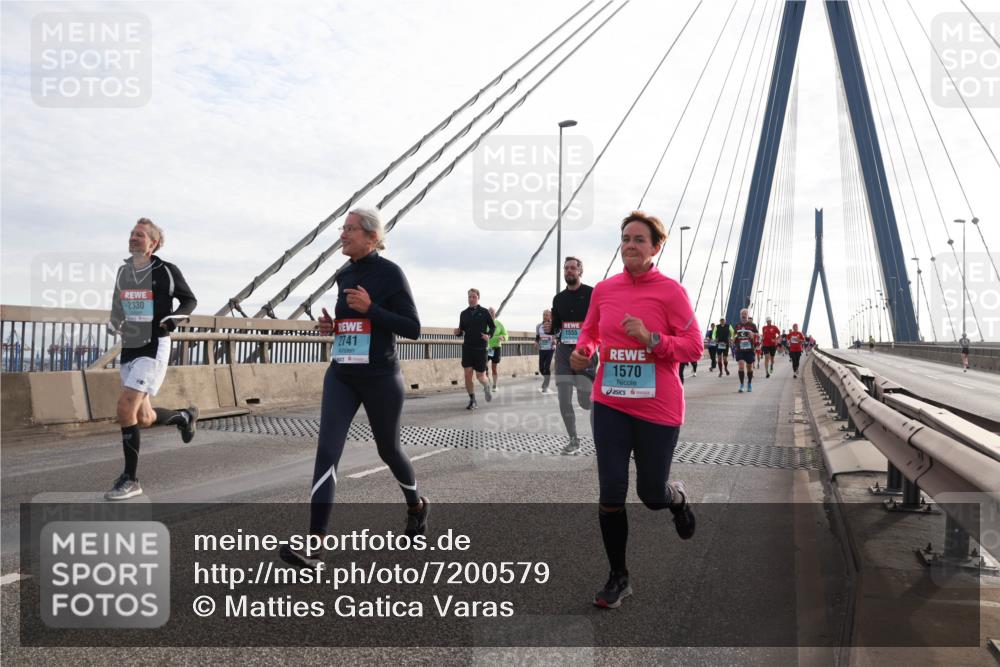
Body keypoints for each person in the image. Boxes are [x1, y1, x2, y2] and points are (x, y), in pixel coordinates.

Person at [280, 207, 427, 568]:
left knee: (388, 450)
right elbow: (353, 320)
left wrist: (372, 308)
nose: (342, 235)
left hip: (381, 377)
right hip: (342, 374)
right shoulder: (343, 274)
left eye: (349, 229)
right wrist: (335, 326)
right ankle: (314, 547)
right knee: (327, 452)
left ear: (372, 236)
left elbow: (412, 327)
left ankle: (416, 505)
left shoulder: (391, 274)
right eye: (341, 229)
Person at [571, 211, 702, 609]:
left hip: (657, 408)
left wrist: (652, 339)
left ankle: (675, 498)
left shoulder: (671, 292)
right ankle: (618, 577)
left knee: (650, 494)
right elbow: (591, 332)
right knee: (611, 489)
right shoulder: (605, 290)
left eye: (639, 240)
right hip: (610, 402)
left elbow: (694, 347)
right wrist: (584, 352)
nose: (630, 244)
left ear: (656, 247)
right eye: (625, 238)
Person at [105, 218, 198, 501]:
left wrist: (171, 322)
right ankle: (184, 416)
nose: (133, 238)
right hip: (131, 347)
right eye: (132, 234)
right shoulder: (124, 271)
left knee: (124, 408)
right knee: (143, 417)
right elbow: (118, 304)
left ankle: (131, 479)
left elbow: (189, 301)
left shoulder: (167, 271)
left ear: (153, 243)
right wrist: (115, 321)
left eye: (140, 235)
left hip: (154, 346)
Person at [547, 256, 596, 455]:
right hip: (564, 353)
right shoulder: (558, 299)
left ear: (580, 271)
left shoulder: (592, 293)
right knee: (564, 399)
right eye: (566, 268)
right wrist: (552, 328)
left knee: (586, 401)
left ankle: (600, 438)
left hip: (585, 352)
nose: (568, 271)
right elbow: (556, 328)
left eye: (572, 268)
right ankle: (574, 441)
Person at [454, 288, 495, 409]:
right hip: (467, 348)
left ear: (478, 298)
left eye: (473, 297)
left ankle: (487, 386)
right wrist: (457, 332)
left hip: (480, 348)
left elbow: (492, 327)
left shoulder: (484, 312)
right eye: (469, 297)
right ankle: (472, 400)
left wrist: (489, 335)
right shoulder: (463, 313)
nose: (471, 299)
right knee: (467, 374)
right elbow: (461, 331)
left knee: (480, 376)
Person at [733, 308, 758, 393]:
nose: (743, 316)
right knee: (741, 365)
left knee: (749, 367)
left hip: (749, 349)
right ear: (740, 316)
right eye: (742, 314)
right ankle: (742, 384)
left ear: (747, 315)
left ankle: (749, 383)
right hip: (740, 349)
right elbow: (734, 335)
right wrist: (734, 339)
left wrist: (753, 334)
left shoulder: (752, 325)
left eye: (745, 314)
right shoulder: (737, 325)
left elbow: (758, 335)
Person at [486, 307, 507, 391]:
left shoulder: (499, 323)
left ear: (495, 314)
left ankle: (494, 385)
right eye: (490, 312)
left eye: (493, 313)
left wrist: (503, 337)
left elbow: (506, 334)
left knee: (494, 368)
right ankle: (487, 384)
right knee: (484, 367)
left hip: (496, 348)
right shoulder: (484, 324)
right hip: (487, 348)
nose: (491, 314)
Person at [535, 309, 555, 393]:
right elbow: (537, 337)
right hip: (542, 349)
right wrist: (536, 342)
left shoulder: (554, 326)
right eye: (544, 315)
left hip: (550, 349)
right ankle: (547, 378)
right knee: (541, 368)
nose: (545, 316)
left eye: (547, 315)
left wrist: (555, 342)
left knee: (547, 367)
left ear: (550, 316)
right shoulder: (539, 326)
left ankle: (545, 385)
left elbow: (557, 336)